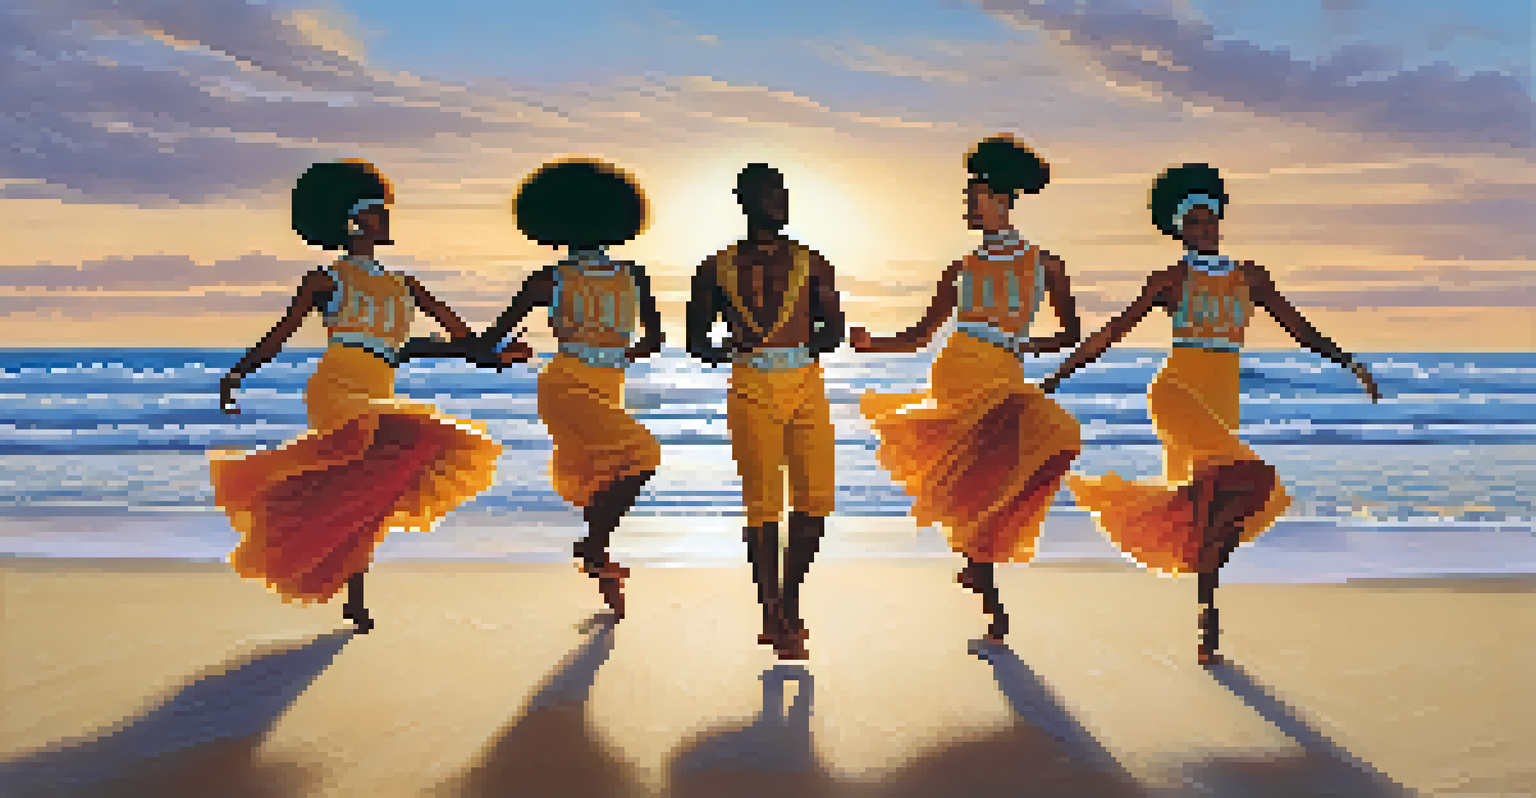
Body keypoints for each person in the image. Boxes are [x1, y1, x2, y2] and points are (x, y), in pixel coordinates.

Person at [1042, 163, 1381, 665]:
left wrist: (1350, 363)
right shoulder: (1170, 280)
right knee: (1247, 477)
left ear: (1220, 220)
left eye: (1209, 220)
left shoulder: (1252, 278)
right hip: (1176, 393)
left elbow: (1302, 332)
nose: (1203, 229)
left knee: (1212, 512)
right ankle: (1208, 618)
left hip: (1223, 403)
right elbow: (1110, 335)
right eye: (1193, 223)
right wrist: (1057, 377)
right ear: (1179, 228)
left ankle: (1206, 617)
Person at [211, 159, 503, 633]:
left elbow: (458, 341)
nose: (385, 218)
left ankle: (354, 597)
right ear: (350, 219)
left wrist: (495, 355)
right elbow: (279, 336)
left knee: (371, 496)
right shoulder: (325, 280)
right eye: (375, 210)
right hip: (337, 389)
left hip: (380, 386)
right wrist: (237, 374)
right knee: (356, 486)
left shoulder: (406, 286)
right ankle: (346, 589)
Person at [408, 157, 663, 621]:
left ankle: (600, 565)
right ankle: (592, 548)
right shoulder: (549, 280)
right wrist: (453, 349)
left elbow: (654, 338)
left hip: (609, 385)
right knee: (642, 457)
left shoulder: (633, 275)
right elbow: (491, 340)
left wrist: (620, 351)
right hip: (566, 385)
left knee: (602, 478)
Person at [851, 135, 1083, 643]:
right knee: (973, 488)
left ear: (1001, 200)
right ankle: (988, 595)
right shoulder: (959, 270)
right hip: (957, 371)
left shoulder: (1046, 266)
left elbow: (1070, 333)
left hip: (1002, 373)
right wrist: (873, 345)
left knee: (1052, 440)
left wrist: (1025, 343)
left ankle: (981, 577)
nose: (967, 203)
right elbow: (920, 336)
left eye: (973, 194)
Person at [686, 163, 846, 660]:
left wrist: (803, 342)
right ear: (745, 200)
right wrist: (730, 345)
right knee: (762, 504)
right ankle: (772, 611)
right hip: (751, 383)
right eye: (769, 194)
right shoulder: (714, 268)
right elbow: (695, 342)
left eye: (783, 194)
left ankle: (790, 596)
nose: (779, 202)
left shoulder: (814, 262)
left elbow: (834, 330)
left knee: (816, 500)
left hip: (805, 384)